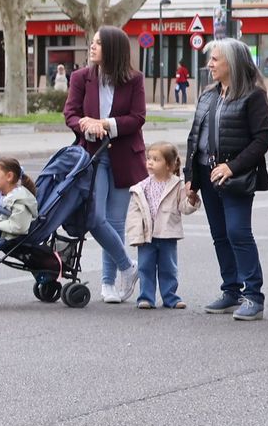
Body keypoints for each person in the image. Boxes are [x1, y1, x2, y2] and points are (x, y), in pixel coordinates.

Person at [184, 38, 268, 320]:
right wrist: (191, 179)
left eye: (215, 59)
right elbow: (194, 139)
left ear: (231, 63)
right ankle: (231, 291)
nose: (209, 64)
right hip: (206, 175)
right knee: (220, 235)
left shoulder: (253, 96)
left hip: (234, 178)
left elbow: (262, 138)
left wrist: (231, 167)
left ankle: (253, 296)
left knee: (238, 233)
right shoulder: (208, 95)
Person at [65, 26, 146, 304]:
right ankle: (128, 267)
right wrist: (85, 124)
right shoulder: (80, 77)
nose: (92, 46)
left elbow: (137, 118)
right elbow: (70, 114)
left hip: (125, 157)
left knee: (115, 222)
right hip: (92, 156)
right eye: (93, 42)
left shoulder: (134, 79)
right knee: (95, 219)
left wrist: (106, 124)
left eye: (99, 43)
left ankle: (109, 283)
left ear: (112, 49)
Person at [124, 141, 199, 310]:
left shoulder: (177, 185)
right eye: (149, 158)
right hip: (147, 236)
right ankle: (146, 297)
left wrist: (192, 199)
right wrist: (136, 236)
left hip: (168, 235)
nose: (150, 162)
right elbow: (134, 214)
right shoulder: (141, 187)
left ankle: (170, 297)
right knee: (145, 268)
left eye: (156, 159)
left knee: (169, 269)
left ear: (169, 165)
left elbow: (184, 208)